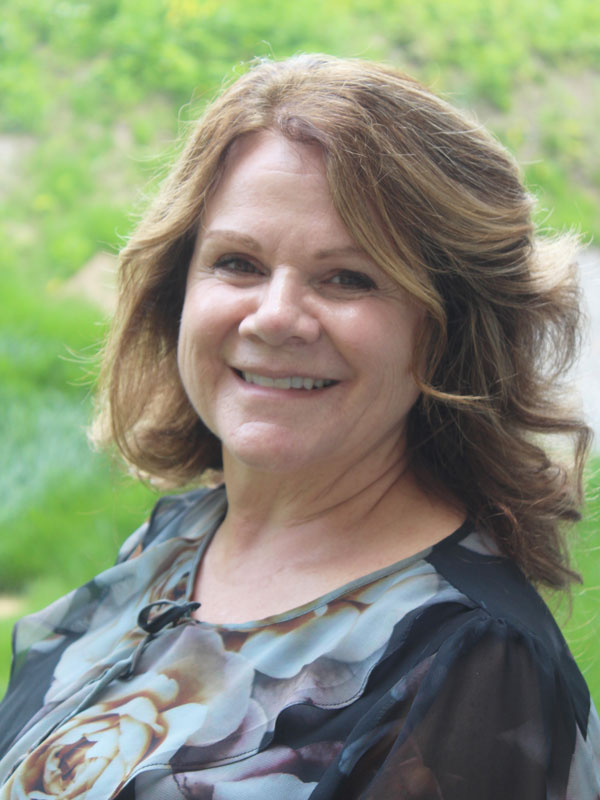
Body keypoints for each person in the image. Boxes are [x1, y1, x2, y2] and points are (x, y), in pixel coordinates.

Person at [0, 54, 598, 799]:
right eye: (239, 263)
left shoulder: (473, 672)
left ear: (447, 329)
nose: (275, 316)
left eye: (348, 276)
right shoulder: (182, 541)